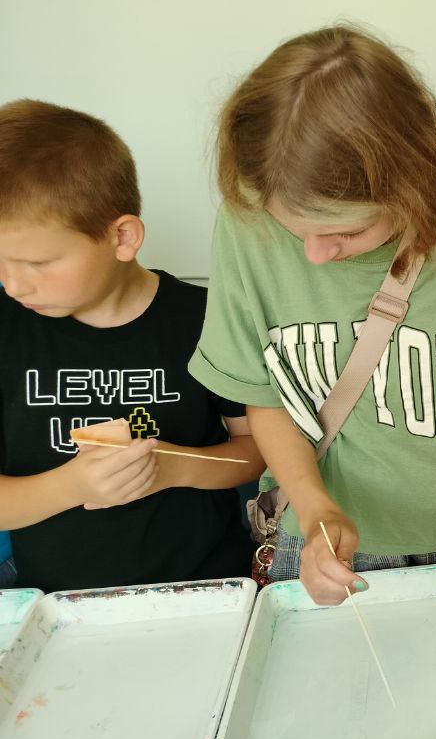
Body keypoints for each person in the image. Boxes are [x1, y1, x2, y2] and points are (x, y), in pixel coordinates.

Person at [190, 26, 436, 682]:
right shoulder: (245, 231)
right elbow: (263, 396)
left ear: (414, 184)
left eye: (344, 231)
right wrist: (315, 508)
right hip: (318, 543)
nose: (314, 255)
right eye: (293, 227)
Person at [0, 99, 264, 592]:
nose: (14, 285)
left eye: (37, 263)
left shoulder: (205, 318)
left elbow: (257, 452)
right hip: (52, 599)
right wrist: (72, 484)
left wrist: (173, 466)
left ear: (122, 236)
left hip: (210, 587)